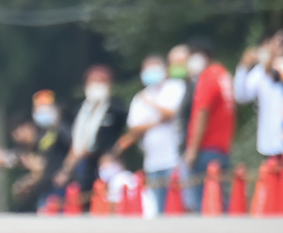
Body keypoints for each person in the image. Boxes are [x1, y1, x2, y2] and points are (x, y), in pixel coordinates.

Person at [114, 55, 186, 211]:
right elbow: (134, 128)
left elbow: (171, 114)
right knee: (158, 207)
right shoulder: (140, 96)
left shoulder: (175, 88)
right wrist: (156, 122)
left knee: (178, 205)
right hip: (152, 161)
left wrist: (151, 104)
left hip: (175, 158)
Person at [183, 37, 236, 210]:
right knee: (220, 201)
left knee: (204, 204)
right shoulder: (223, 75)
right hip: (222, 147)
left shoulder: (208, 77)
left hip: (206, 147)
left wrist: (192, 149)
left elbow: (202, 114)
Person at [54, 66, 125, 192]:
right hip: (84, 167)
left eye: (101, 82)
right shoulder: (81, 111)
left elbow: (128, 134)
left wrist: (115, 152)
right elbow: (76, 144)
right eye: (93, 82)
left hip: (107, 167)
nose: (96, 86)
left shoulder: (116, 110)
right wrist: (66, 169)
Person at [233, 31, 283, 169]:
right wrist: (243, 66)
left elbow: (275, 75)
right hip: (270, 143)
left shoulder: (271, 67)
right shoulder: (260, 71)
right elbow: (241, 96)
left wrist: (270, 59)